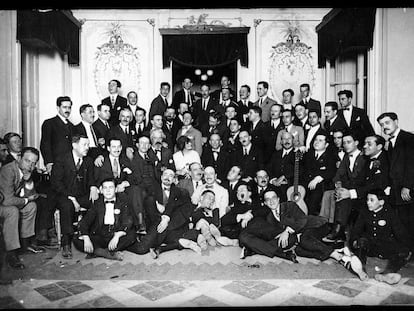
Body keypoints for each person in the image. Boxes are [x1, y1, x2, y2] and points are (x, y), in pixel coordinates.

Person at [239, 190, 368, 281]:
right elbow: (258, 217)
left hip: (316, 225)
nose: (271, 201)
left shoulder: (290, 205)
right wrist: (248, 215)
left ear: (278, 199)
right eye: (268, 200)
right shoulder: (269, 218)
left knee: (305, 240)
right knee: (300, 251)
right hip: (302, 235)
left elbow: (302, 220)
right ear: (266, 203)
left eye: (274, 198)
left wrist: (288, 230)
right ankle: (338, 251)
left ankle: (338, 256)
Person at [128, 169, 200, 257]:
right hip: (156, 226)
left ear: (174, 180)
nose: (167, 177)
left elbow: (182, 210)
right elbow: (149, 212)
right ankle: (123, 245)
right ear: (161, 177)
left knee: (193, 233)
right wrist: (162, 219)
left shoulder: (181, 192)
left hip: (171, 225)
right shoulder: (151, 190)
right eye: (165, 174)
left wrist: (166, 216)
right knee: (142, 249)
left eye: (171, 176)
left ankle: (165, 246)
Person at [350, 189, 412, 285]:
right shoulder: (364, 212)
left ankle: (387, 273)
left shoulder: (389, 213)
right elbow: (356, 230)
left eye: (372, 200)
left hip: (384, 245)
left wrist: (407, 247)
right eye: (367, 200)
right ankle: (361, 270)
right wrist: (354, 241)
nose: (368, 203)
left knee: (404, 251)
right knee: (361, 242)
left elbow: (400, 232)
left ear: (381, 202)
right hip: (369, 245)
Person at [50, 135, 97, 259]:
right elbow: (56, 183)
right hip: (64, 195)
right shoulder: (62, 159)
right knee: (67, 206)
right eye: (84, 145)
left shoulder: (88, 161)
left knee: (97, 202)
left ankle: (89, 233)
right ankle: (66, 242)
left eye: (88, 145)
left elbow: (92, 179)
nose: (87, 148)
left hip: (81, 195)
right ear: (74, 145)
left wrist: (93, 186)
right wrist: (71, 197)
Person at [72, 178, 137, 261]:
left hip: (115, 232)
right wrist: (86, 237)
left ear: (116, 189)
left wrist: (117, 235)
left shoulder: (122, 202)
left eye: (111, 187)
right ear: (101, 190)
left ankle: (97, 251)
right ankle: (106, 253)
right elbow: (85, 222)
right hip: (100, 235)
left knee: (132, 236)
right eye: (105, 188)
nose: (108, 191)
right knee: (76, 239)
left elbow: (127, 221)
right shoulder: (97, 203)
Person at [0, 147, 43, 269]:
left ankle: (25, 243)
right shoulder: (8, 171)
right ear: (19, 158)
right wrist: (26, 200)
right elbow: (7, 200)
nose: (30, 165)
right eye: (27, 161)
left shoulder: (25, 171)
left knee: (31, 206)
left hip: (8, 203)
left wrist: (28, 179)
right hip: (3, 204)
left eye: (34, 163)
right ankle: (11, 253)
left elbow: (32, 195)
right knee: (12, 211)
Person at [377, 112, 414, 252]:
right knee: (400, 221)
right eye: (381, 125)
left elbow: (412, 164)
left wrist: (407, 186)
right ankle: (405, 250)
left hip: (406, 188)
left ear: (396, 121)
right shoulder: (390, 142)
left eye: (387, 123)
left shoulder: (408, 138)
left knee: (408, 220)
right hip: (395, 188)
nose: (384, 127)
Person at [323, 132, 367, 243]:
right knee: (339, 195)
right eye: (344, 143)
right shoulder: (346, 157)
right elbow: (339, 175)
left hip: (361, 193)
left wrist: (347, 191)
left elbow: (362, 181)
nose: (346, 145)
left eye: (349, 142)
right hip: (347, 191)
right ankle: (337, 229)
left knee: (344, 199)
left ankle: (338, 231)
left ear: (356, 143)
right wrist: (338, 187)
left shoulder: (364, 158)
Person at [40, 96, 76, 175]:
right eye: (64, 107)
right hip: (56, 165)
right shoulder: (49, 123)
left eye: (69, 107)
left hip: (69, 166)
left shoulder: (72, 126)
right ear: (58, 108)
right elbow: (45, 145)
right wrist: (49, 163)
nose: (67, 110)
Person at [303, 133, 336, 216]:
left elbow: (332, 171)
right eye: (316, 140)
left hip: (322, 186)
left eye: (320, 140)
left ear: (326, 144)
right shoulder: (307, 155)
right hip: (306, 183)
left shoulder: (331, 156)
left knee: (314, 198)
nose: (317, 142)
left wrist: (319, 177)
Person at [267, 131, 296, 203]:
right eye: (284, 139)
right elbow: (269, 168)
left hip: (290, 186)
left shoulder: (298, 154)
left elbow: (301, 169)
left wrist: (284, 177)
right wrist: (273, 180)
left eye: (289, 138)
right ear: (281, 142)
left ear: (293, 140)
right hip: (274, 185)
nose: (286, 141)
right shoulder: (275, 154)